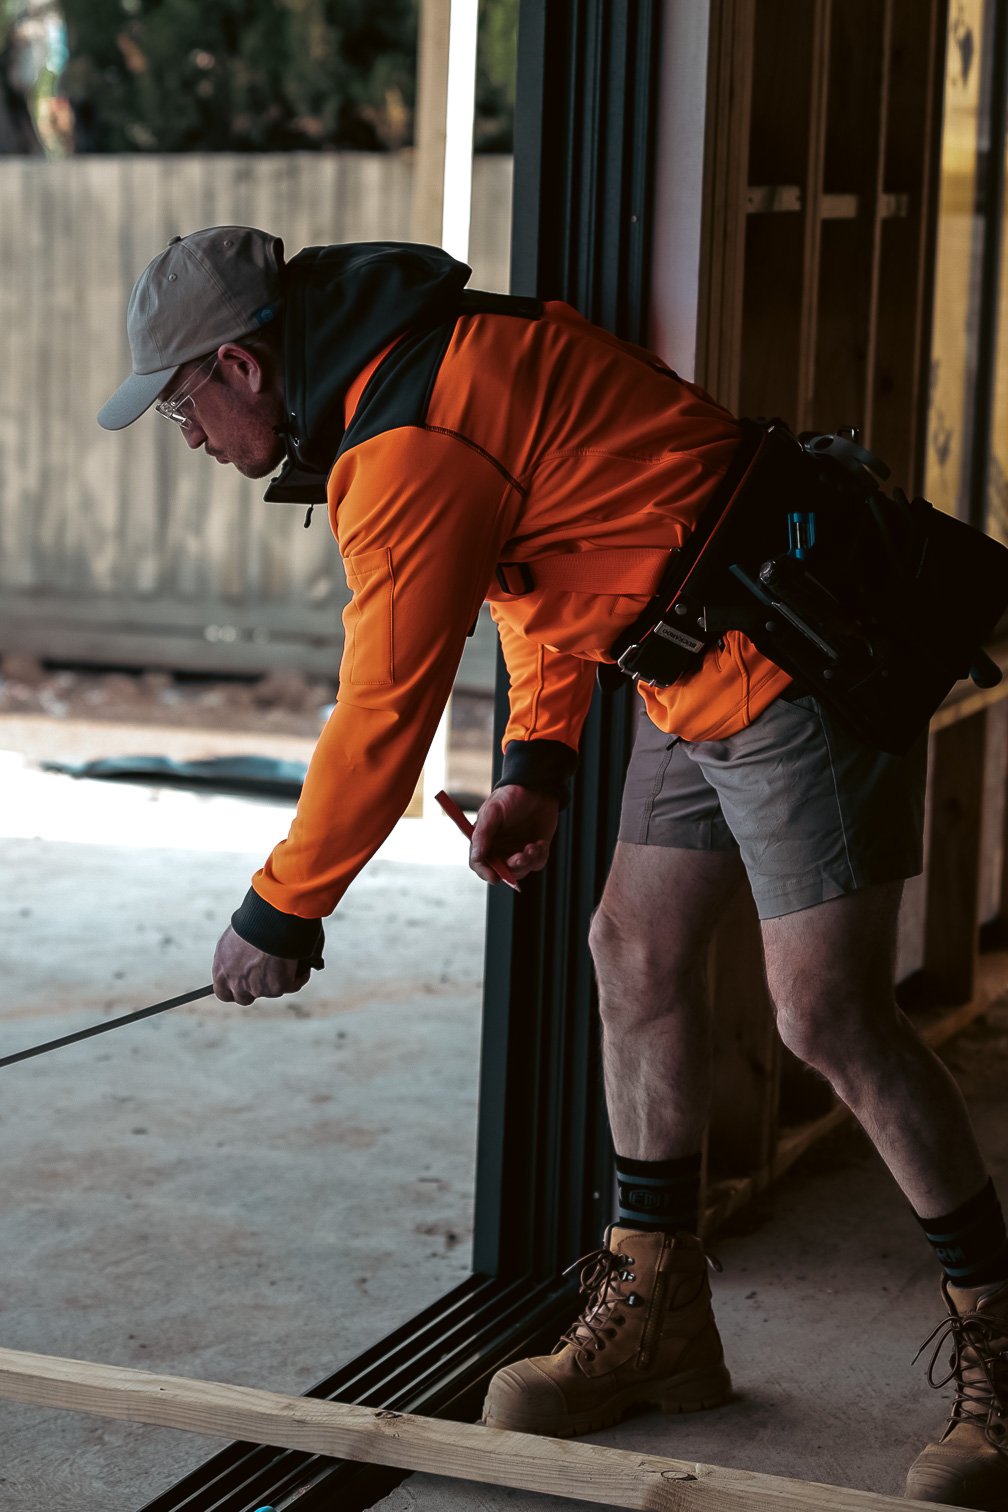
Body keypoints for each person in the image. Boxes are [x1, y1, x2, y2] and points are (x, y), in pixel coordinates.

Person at [98, 225, 1007, 1508]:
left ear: (243, 368)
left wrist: (281, 910)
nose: (184, 434)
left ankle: (1000, 1345)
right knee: (629, 950)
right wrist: (540, 768)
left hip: (793, 657)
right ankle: (660, 1316)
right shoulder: (426, 364)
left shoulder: (404, 439)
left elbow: (383, 708)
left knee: (827, 1015)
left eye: (182, 402)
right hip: (687, 654)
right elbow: (546, 574)